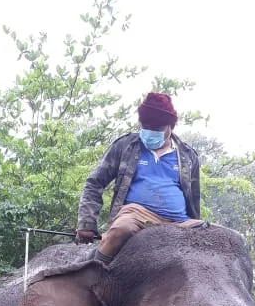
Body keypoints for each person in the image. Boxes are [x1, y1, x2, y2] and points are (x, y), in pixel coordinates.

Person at [76, 91, 206, 258]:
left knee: (222, 236)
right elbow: (94, 183)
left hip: (180, 221)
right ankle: (95, 270)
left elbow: (194, 198)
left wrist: (195, 224)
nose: (150, 131)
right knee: (119, 231)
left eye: (157, 128)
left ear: (171, 126)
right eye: (146, 127)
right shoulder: (125, 146)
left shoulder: (188, 156)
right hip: (135, 215)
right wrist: (86, 223)